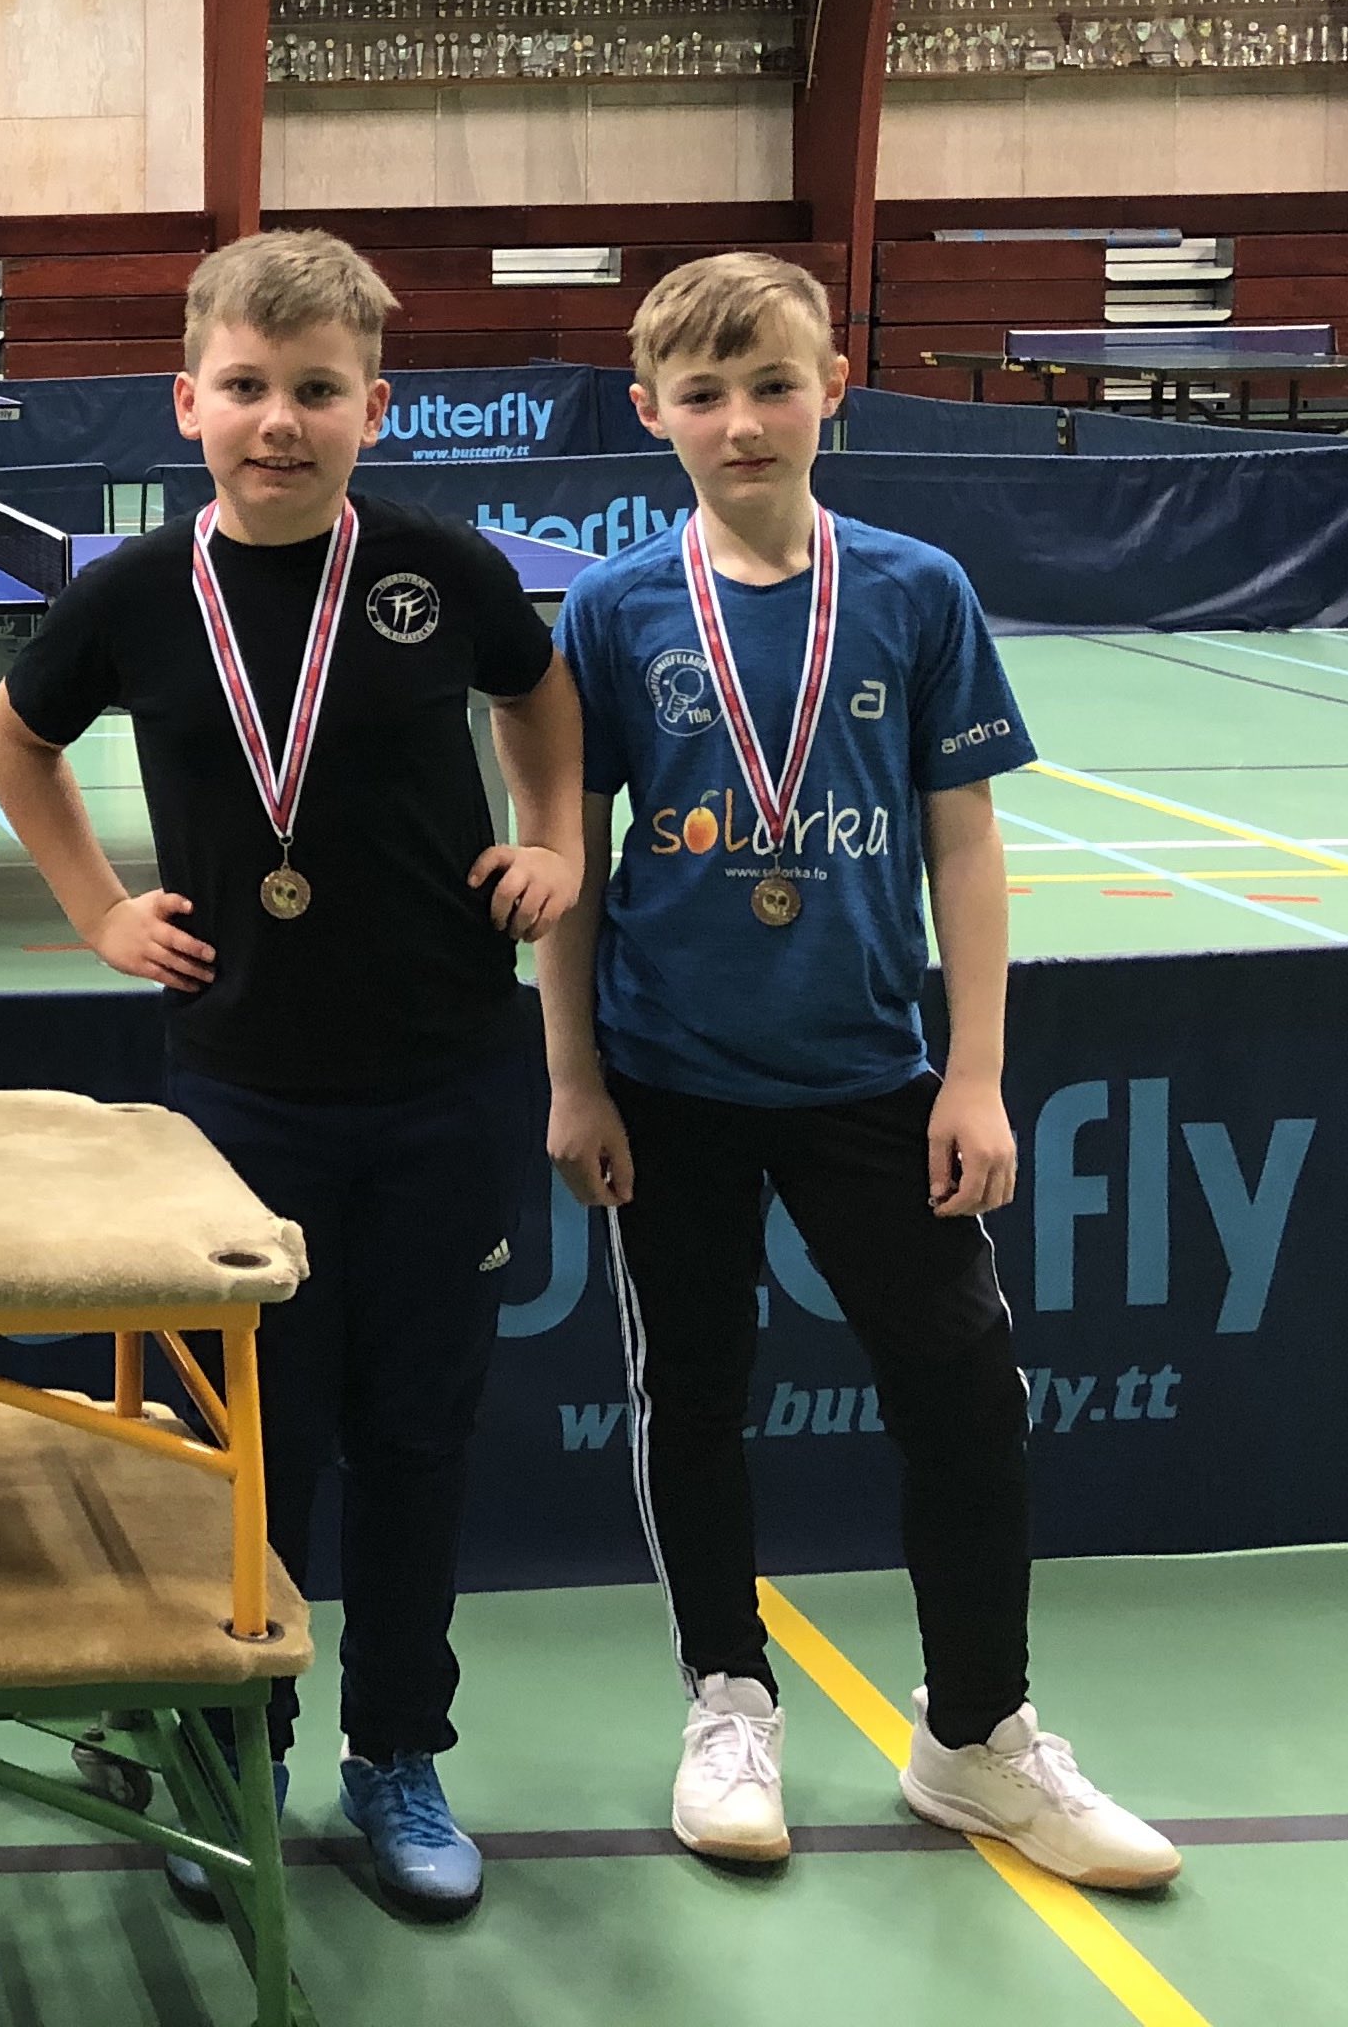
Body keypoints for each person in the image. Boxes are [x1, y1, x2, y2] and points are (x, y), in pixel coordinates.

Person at [536, 252, 1177, 1887]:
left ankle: (977, 1735)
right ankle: (728, 1701)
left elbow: (965, 843)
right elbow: (575, 864)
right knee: (695, 1398)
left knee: (963, 1396)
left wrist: (976, 1074)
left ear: (833, 385)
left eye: (772, 386)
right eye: (703, 395)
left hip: (876, 1077)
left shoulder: (915, 590)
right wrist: (575, 1077)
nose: (742, 423)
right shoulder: (611, 611)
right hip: (667, 1078)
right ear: (651, 412)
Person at [0, 230, 582, 1919]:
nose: (280, 421)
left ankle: (396, 1754)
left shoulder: (437, 570)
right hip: (241, 1091)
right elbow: (17, 739)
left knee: (417, 1437)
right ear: (188, 402)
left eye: (318, 390)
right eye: (246, 387)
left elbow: (541, 698)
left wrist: (551, 839)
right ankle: (237, 1741)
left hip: (446, 1077)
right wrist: (97, 908)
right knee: (255, 1444)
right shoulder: (131, 595)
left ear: (374, 409)